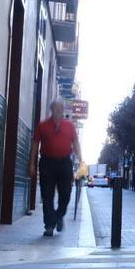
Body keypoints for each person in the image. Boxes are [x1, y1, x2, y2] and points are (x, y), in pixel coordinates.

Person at [29, 100, 83, 237]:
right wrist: (32, 164)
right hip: (47, 162)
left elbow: (76, 143)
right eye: (56, 108)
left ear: (63, 110)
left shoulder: (69, 126)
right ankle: (49, 225)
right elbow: (35, 144)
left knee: (66, 194)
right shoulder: (43, 125)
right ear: (51, 109)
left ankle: (58, 216)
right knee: (47, 195)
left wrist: (81, 160)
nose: (59, 110)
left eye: (61, 108)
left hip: (65, 162)